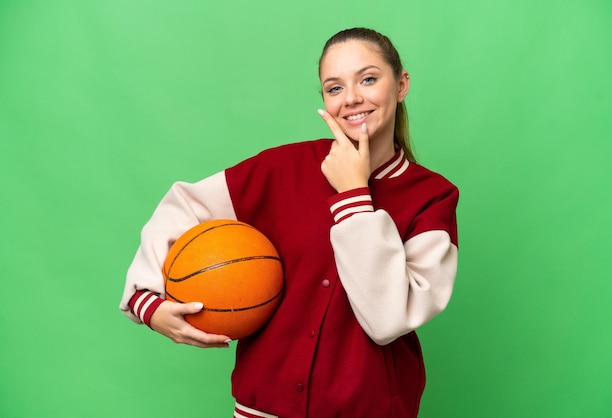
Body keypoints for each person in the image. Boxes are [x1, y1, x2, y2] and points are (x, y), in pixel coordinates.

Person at [120, 27, 459, 418]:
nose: (351, 98)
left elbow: (388, 319)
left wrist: (353, 194)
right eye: (334, 88)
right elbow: (183, 205)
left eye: (368, 79)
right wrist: (147, 302)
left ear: (401, 85)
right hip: (261, 409)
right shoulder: (282, 168)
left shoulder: (434, 197)